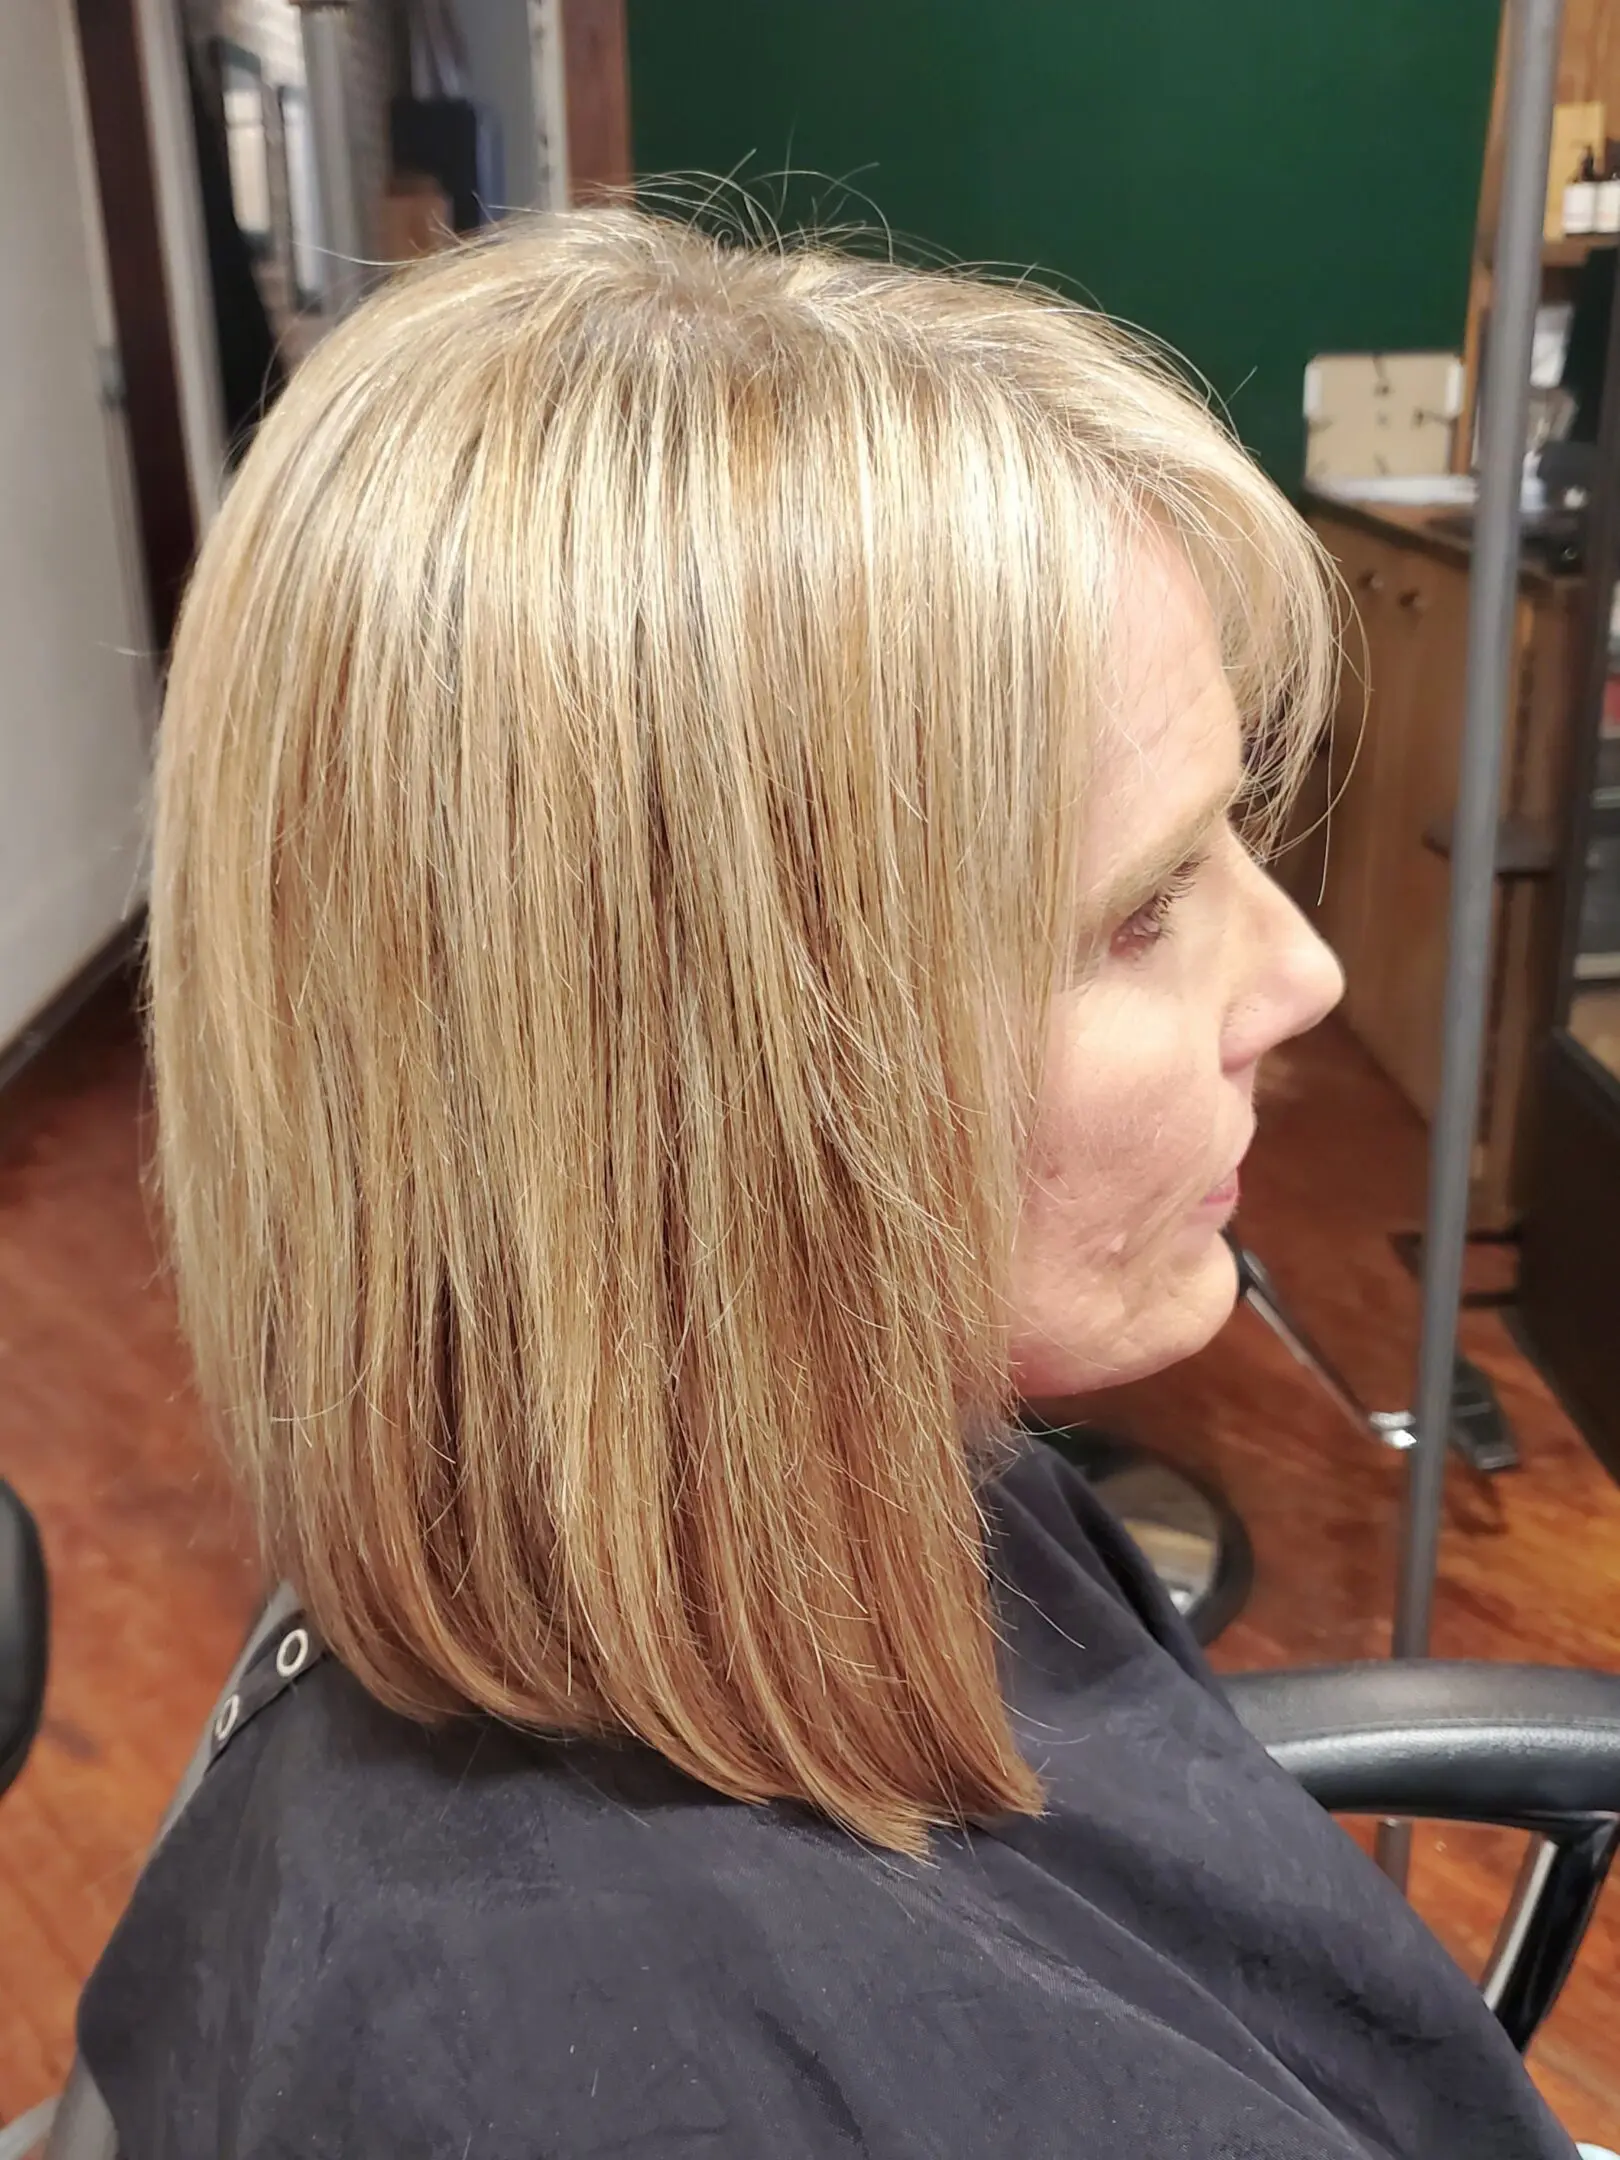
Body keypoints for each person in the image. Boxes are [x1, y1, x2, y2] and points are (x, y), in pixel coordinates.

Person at [80, 210, 1576, 2158]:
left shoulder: (751, 1484)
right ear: (684, 1104)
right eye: (1141, 911)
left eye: (1239, 842)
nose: (1300, 977)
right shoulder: (659, 2076)